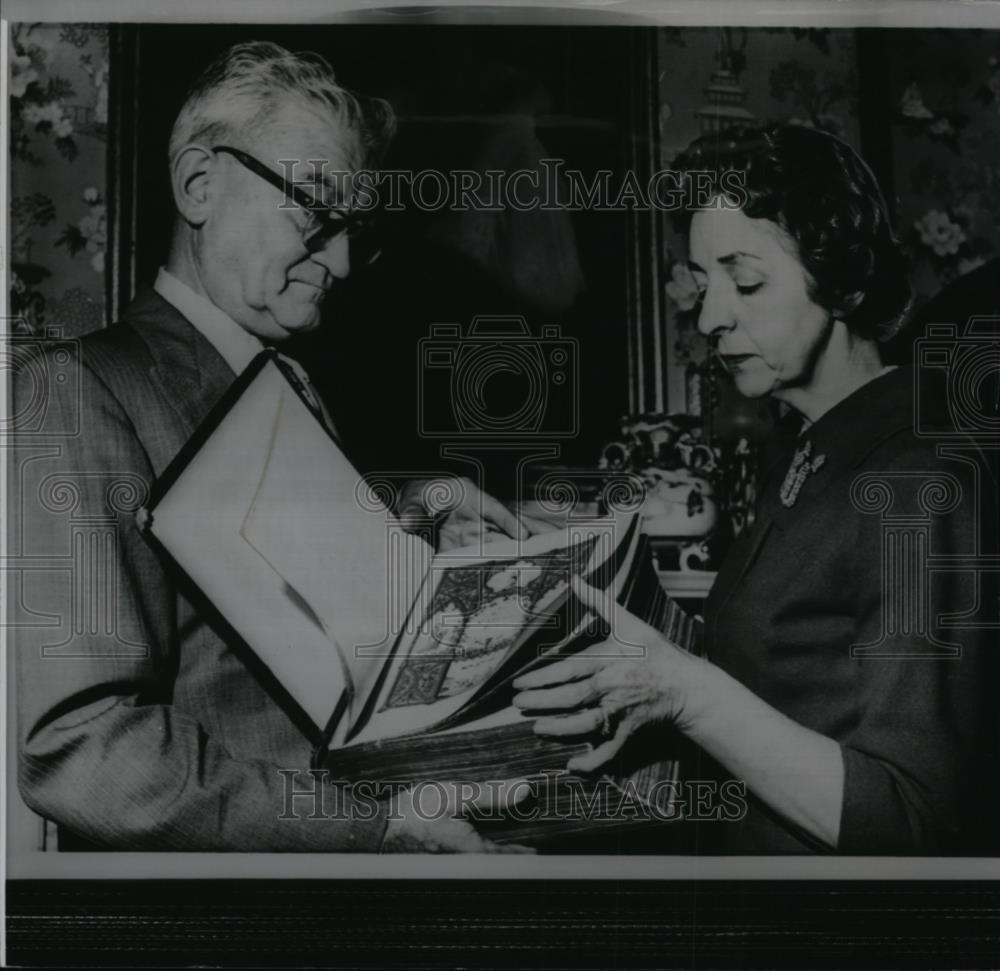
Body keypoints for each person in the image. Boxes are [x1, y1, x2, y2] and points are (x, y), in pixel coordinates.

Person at [13, 41, 532, 852]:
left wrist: (415, 511)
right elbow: (84, 749)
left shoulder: (279, 379)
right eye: (317, 212)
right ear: (198, 184)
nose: (345, 260)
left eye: (356, 227)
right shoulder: (79, 390)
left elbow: (265, 593)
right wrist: (376, 828)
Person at [513, 124, 1000, 854]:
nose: (710, 318)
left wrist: (683, 691)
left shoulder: (916, 477)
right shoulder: (809, 448)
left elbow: (911, 816)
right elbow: (777, 672)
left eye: (745, 282)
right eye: (705, 285)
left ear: (844, 279)